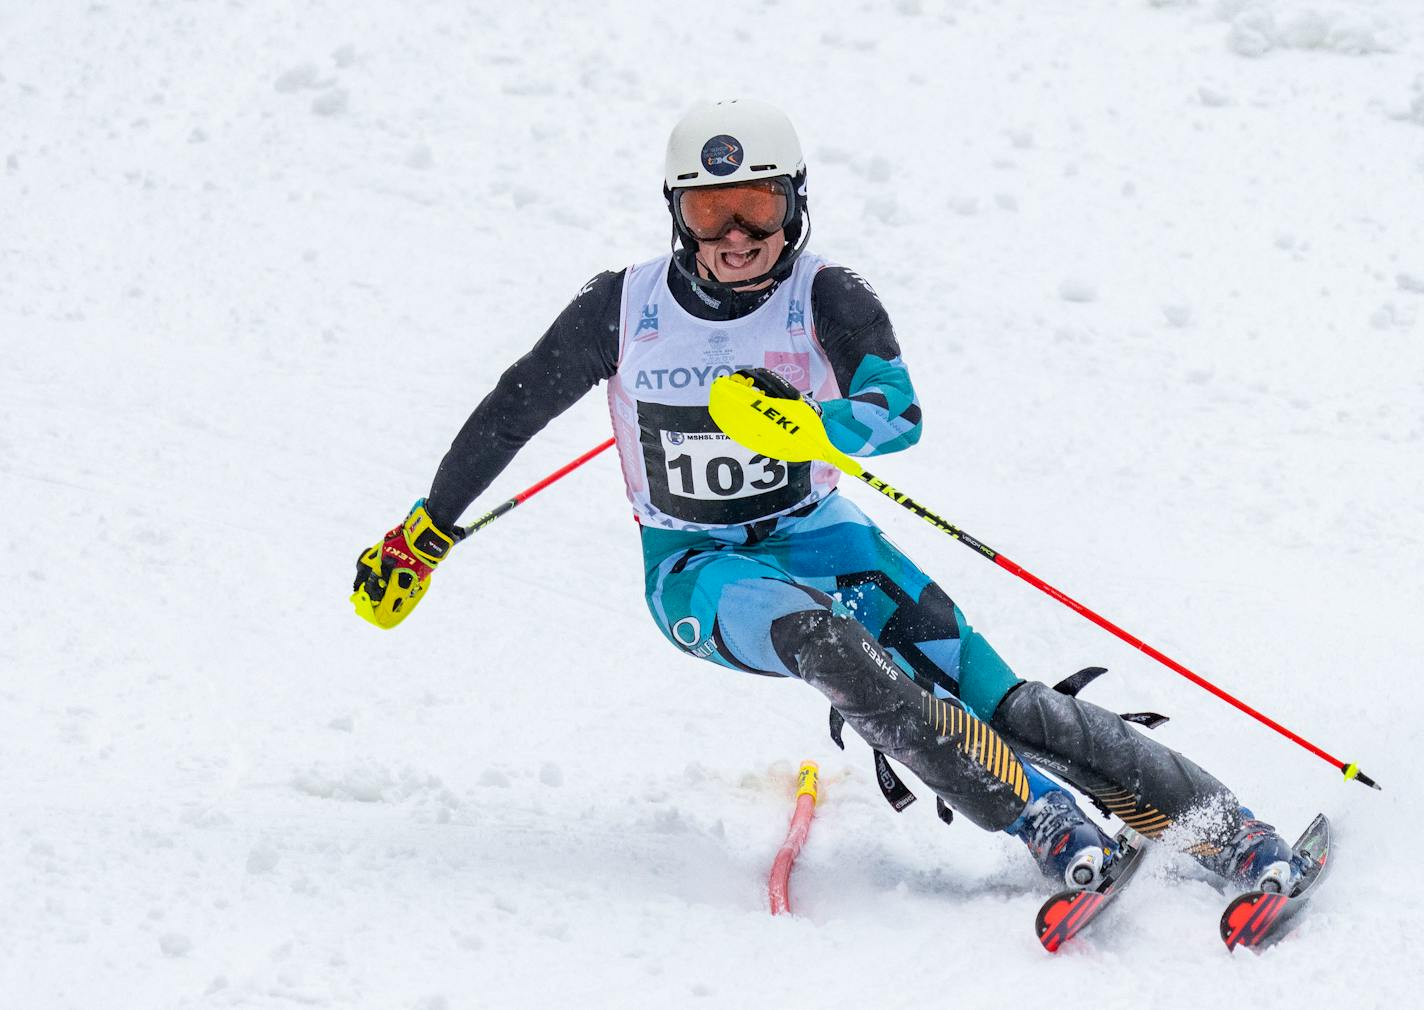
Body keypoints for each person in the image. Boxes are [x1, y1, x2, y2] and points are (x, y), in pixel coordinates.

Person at [353, 98, 1305, 894]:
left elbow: (899, 413)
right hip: (696, 568)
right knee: (827, 646)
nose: (735, 236)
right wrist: (426, 531)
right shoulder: (623, 306)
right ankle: (1044, 822)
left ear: (794, 205)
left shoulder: (826, 295)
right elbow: (512, 408)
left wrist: (814, 428)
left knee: (997, 697)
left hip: (818, 532)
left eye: (758, 208)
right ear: (676, 213)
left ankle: (1233, 834)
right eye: (709, 210)